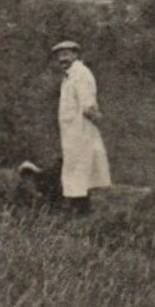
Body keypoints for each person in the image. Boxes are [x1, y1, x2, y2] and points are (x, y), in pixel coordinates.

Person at [52, 40, 110, 214]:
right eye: (59, 55)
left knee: (80, 171)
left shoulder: (81, 74)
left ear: (76, 55)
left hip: (81, 132)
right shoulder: (69, 76)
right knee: (75, 171)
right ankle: (79, 210)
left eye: (66, 54)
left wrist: (97, 119)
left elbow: (88, 105)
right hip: (71, 133)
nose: (63, 58)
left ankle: (80, 211)